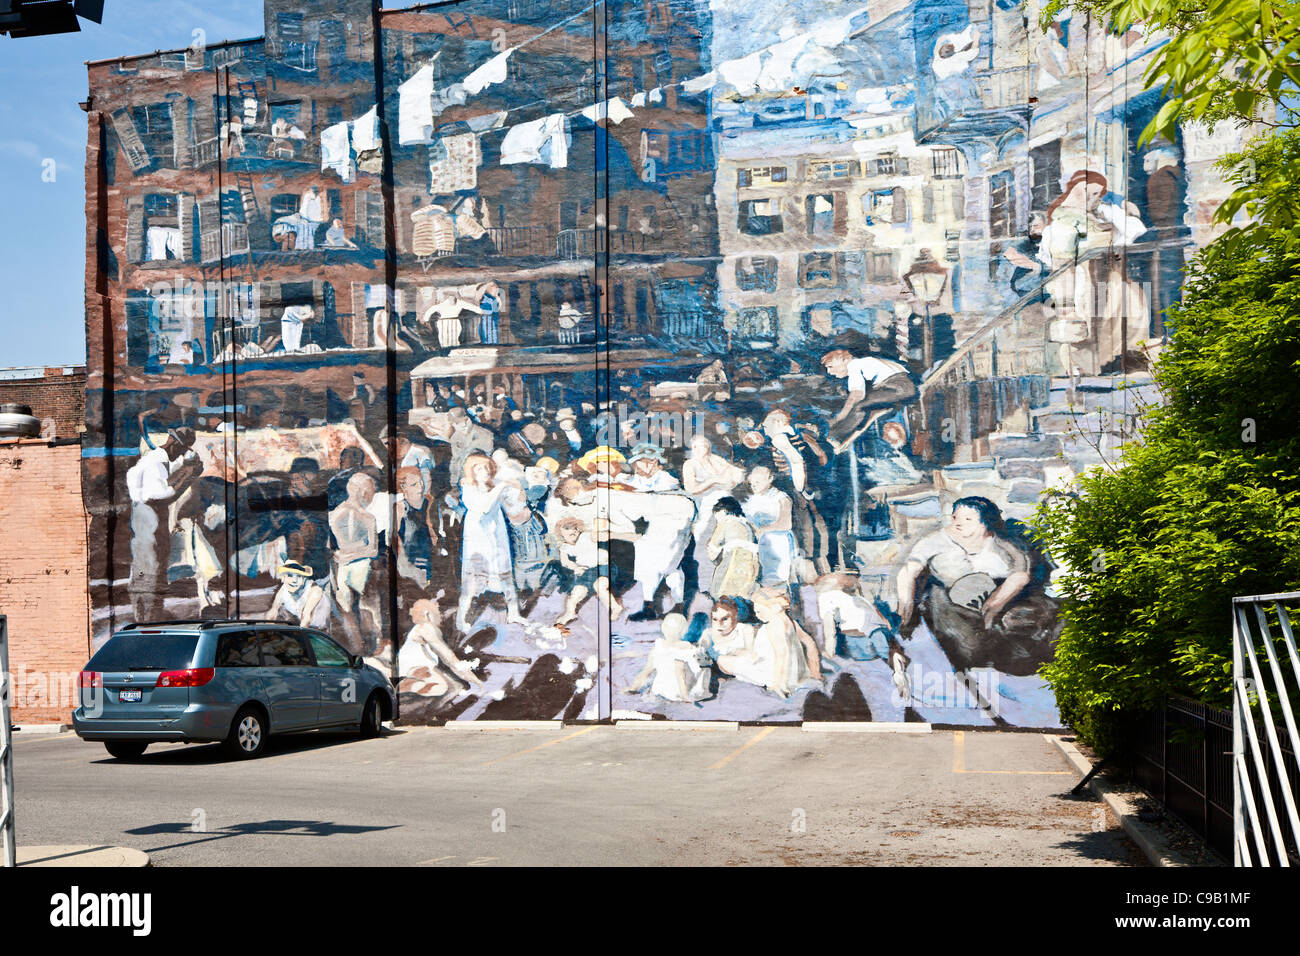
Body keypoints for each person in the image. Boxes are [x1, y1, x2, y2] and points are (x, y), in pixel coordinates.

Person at [896, 496, 1060, 679]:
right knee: (972, 645)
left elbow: (1020, 574)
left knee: (1031, 629)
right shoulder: (934, 541)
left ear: (984, 523)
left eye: (967, 519)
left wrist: (995, 604)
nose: (958, 523)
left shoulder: (1002, 542)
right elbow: (909, 571)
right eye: (955, 517)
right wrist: (905, 605)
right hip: (955, 602)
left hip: (1004, 598)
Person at [126, 427, 201, 622]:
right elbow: (162, 494)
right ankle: (150, 620)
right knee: (152, 573)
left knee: (145, 572)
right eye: (182, 450)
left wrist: (184, 470)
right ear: (175, 444)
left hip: (144, 522)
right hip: (150, 523)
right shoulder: (156, 462)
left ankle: (146, 617)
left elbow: (165, 482)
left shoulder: (152, 460)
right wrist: (189, 474)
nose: (181, 455)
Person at [457, 453, 529, 633]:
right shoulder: (468, 487)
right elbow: (484, 507)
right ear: (471, 471)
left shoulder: (495, 486)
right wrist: (503, 485)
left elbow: (513, 509)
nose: (484, 471)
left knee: (505, 575)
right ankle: (461, 620)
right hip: (478, 537)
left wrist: (519, 492)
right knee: (473, 580)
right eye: (478, 468)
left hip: (497, 534)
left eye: (486, 467)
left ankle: (513, 613)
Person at [814, 572, 910, 699]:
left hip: (858, 646)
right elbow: (878, 616)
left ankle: (894, 657)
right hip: (876, 636)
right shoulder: (856, 599)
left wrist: (829, 651)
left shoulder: (825, 599)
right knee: (885, 641)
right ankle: (895, 660)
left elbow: (829, 629)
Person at [820, 348, 918, 451]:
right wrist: (848, 441)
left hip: (898, 385)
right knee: (863, 407)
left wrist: (839, 418)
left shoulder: (854, 365)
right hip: (906, 386)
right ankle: (836, 437)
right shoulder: (866, 366)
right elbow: (871, 415)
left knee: (859, 406)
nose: (829, 372)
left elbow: (856, 396)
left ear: (844, 360)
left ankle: (833, 435)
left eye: (830, 366)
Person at [330, 472, 379, 655]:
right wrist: (354, 552)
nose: (370, 496)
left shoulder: (335, 514)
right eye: (369, 491)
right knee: (357, 610)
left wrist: (344, 556)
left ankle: (359, 649)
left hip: (345, 566)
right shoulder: (366, 517)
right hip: (358, 567)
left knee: (350, 609)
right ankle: (360, 649)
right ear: (363, 492)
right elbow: (372, 550)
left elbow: (335, 550)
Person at [398, 598, 483, 698]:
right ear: (427, 614)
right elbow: (448, 657)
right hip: (416, 668)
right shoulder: (426, 628)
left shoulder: (421, 628)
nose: (441, 616)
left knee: (454, 686)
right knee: (443, 688)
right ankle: (407, 686)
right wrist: (475, 680)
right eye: (437, 612)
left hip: (414, 668)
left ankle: (408, 686)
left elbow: (447, 658)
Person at [625, 612, 712, 702]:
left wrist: (633, 687)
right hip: (685, 692)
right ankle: (689, 694)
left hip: (662, 690)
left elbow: (645, 672)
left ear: (663, 628)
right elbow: (687, 671)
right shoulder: (688, 647)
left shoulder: (658, 648)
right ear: (684, 631)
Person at [552, 516, 622, 625]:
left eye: (574, 533)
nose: (573, 537)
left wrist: (603, 550)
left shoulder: (586, 536)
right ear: (561, 535)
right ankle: (570, 613)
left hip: (602, 567)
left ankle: (615, 607)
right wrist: (576, 567)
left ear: (578, 530)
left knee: (599, 586)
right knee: (577, 592)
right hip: (586, 571)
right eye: (567, 535)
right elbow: (565, 562)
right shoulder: (564, 547)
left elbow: (600, 536)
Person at [742, 465, 799, 590]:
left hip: (777, 541)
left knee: (777, 579)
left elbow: (786, 524)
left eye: (758, 482)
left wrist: (762, 530)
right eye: (752, 483)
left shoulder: (781, 498)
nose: (754, 485)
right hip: (758, 542)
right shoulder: (752, 500)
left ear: (770, 479)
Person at [682, 434, 745, 547]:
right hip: (705, 502)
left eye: (702, 446)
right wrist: (713, 481)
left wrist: (731, 480)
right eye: (694, 447)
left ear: (708, 447)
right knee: (705, 532)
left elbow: (736, 475)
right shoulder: (690, 464)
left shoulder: (716, 460)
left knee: (731, 527)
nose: (697, 450)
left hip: (726, 501)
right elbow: (690, 489)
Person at [705, 497, 760, 599]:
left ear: (723, 512)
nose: (717, 522)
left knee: (719, 594)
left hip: (733, 562)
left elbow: (712, 554)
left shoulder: (726, 523)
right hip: (751, 564)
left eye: (717, 519)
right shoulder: (748, 525)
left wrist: (709, 545)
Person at [394, 467, 438, 590]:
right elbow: (395, 538)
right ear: (403, 487)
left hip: (432, 558)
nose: (420, 487)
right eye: (414, 484)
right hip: (410, 560)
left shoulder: (429, 503)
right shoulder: (400, 508)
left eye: (421, 482)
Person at [265, 560, 331, 628]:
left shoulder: (314, 590)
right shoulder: (284, 588)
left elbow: (306, 615)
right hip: (301, 624)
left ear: (303, 579)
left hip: (318, 629)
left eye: (299, 576)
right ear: (283, 578)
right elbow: (273, 610)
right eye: (290, 576)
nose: (294, 580)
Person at [698, 596, 756, 662]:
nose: (719, 624)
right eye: (715, 619)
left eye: (724, 619)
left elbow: (751, 655)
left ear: (735, 617)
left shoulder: (745, 629)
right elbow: (701, 652)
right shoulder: (708, 633)